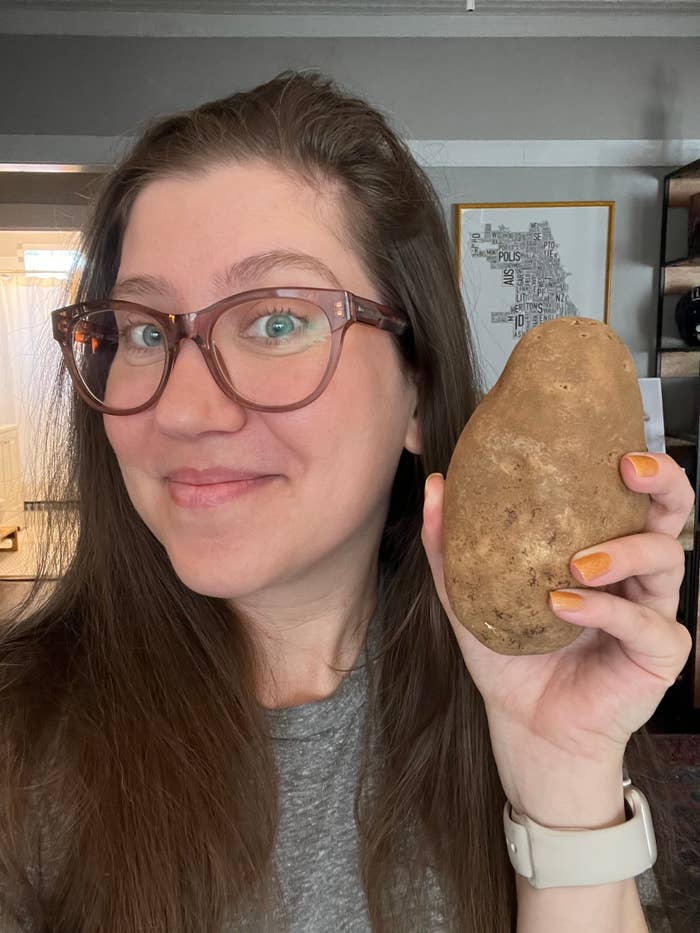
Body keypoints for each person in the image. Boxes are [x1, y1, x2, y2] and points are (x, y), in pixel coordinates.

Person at [0, 68, 695, 933]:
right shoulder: (21, 750)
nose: (179, 409)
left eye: (278, 320)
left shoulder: (500, 705)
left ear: (418, 385)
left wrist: (563, 768)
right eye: (145, 331)